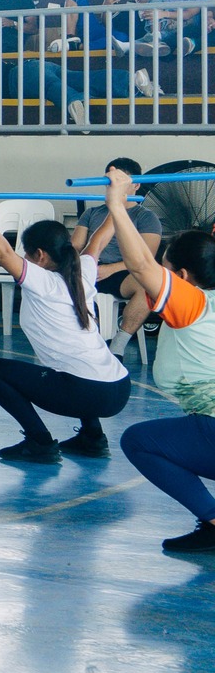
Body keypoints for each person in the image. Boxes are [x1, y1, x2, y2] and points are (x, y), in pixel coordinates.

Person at [0, 187, 129, 464]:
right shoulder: (83, 271)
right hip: (118, 387)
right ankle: (92, 438)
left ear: (40, 255)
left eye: (27, 254)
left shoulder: (43, 281)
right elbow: (99, 238)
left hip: (88, 392)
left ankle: (39, 442)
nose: (24, 260)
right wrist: (118, 202)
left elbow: (3, 254)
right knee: (72, 367)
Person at [102, 168, 215, 554]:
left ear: (182, 276)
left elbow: (141, 267)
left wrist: (118, 205)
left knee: (140, 441)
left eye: (167, 270)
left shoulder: (193, 303)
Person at [70, 157, 162, 358]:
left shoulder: (146, 217)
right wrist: (83, 266)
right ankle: (86, 343)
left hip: (122, 273)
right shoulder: (92, 212)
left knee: (149, 285)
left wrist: (110, 269)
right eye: (110, 181)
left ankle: (118, 346)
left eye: (120, 181)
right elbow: (75, 246)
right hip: (88, 270)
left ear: (136, 185)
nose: (114, 186)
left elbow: (147, 258)